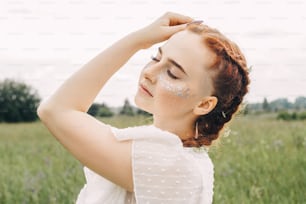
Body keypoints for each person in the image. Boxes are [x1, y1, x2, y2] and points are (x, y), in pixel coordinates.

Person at [37, 12, 250, 204]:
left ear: (204, 104)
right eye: (155, 57)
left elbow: (56, 110)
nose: (149, 72)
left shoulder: (168, 162)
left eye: (173, 73)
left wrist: (138, 40)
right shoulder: (185, 158)